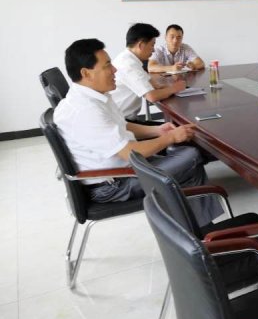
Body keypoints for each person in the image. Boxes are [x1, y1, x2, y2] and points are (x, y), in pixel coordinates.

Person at [54, 39, 209, 203]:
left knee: (188, 160)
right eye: (107, 65)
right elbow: (129, 152)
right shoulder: (86, 110)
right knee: (191, 156)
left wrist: (157, 130)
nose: (114, 70)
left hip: (124, 169)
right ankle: (195, 211)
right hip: (114, 184)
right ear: (86, 73)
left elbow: (122, 125)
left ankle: (190, 213)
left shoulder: (93, 96)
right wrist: (170, 137)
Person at [111, 23, 186, 121]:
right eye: (152, 45)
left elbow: (150, 83)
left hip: (122, 119)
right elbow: (152, 96)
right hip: (123, 122)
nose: (153, 50)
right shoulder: (129, 65)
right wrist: (174, 88)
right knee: (177, 128)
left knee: (174, 127)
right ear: (141, 45)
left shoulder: (127, 58)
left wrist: (162, 87)